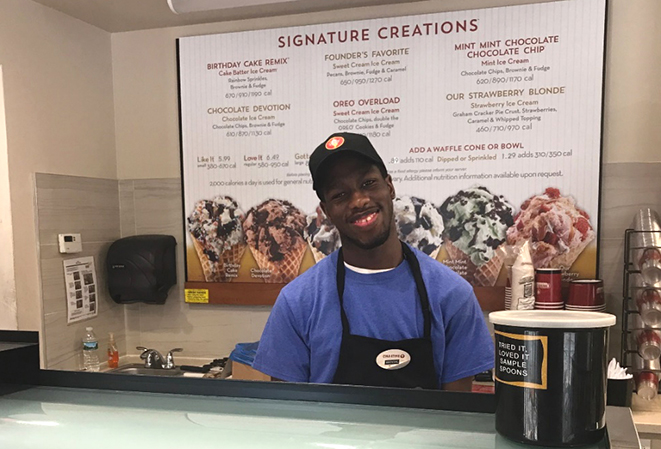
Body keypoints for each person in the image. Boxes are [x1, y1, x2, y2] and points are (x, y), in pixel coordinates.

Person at [252, 132, 494, 390]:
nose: (359, 201)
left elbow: (456, 417)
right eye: (340, 195)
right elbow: (289, 416)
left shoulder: (452, 295)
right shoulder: (297, 302)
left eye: (368, 183)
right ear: (325, 212)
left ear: (390, 186)